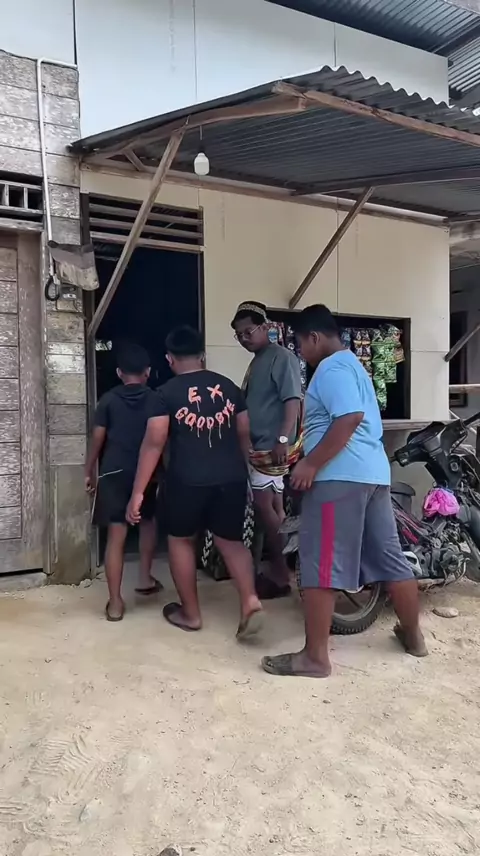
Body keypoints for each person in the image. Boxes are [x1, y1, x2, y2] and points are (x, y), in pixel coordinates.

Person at [261, 304, 428, 679]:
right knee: (391, 559)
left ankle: (315, 658)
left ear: (314, 337)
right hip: (373, 476)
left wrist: (311, 464)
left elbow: (349, 418)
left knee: (320, 563)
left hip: (339, 479)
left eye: (300, 344)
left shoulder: (332, 368)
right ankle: (413, 636)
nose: (301, 352)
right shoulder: (354, 366)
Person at [126, 325, 263, 639]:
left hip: (186, 480)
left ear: (169, 358)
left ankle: (191, 613)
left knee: (181, 540)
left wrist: (138, 493)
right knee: (231, 541)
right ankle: (250, 601)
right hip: (231, 477)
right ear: (202, 355)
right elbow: (244, 434)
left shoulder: (164, 394)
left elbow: (154, 443)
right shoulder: (229, 387)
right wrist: (247, 474)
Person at [232, 301, 302, 599]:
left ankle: (282, 573)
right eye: (239, 335)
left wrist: (282, 439)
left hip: (271, 447)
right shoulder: (259, 360)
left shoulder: (281, 357)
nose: (244, 339)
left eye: (248, 332)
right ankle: (279, 570)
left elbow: (292, 400)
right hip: (262, 446)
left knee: (265, 505)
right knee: (273, 505)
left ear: (265, 327)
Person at [85, 343, 160, 622]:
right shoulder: (157, 400)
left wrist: (89, 469)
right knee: (148, 523)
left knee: (116, 536)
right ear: (148, 372)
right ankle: (144, 577)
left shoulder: (108, 400)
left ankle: (115, 603)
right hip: (147, 473)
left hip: (113, 472)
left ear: (119, 372)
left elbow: (98, 438)